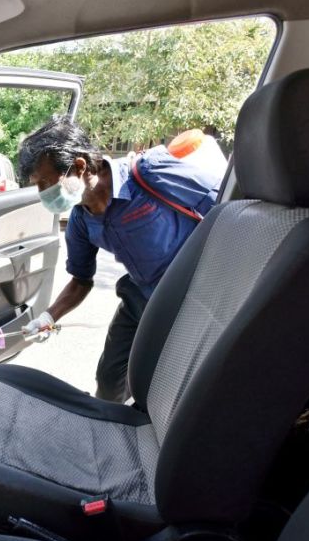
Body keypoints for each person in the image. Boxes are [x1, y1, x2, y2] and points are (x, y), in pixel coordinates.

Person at [19, 116, 222, 403]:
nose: (43, 195)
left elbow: (224, 206)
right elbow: (81, 281)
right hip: (139, 296)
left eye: (45, 184)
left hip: (191, 298)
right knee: (109, 382)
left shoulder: (150, 174)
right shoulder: (80, 222)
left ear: (79, 166)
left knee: (164, 387)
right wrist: (48, 316)